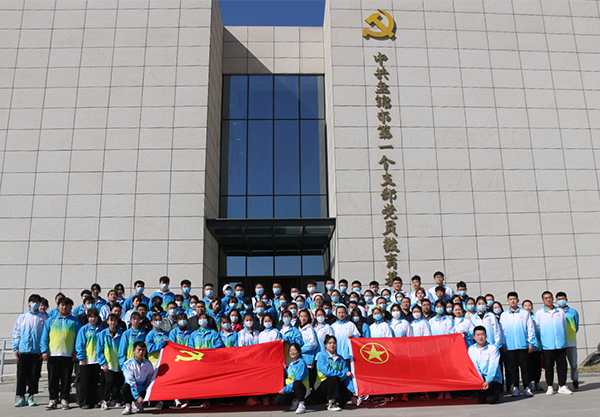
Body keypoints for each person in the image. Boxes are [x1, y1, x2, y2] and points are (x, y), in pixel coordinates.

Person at [41, 297, 81, 410]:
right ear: (58, 306)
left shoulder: (74, 321)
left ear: (70, 307)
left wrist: (75, 351)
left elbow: (78, 338)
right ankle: (53, 399)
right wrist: (44, 350)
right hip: (53, 354)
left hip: (68, 355)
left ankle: (64, 399)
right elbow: (45, 337)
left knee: (66, 379)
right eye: (62, 305)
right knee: (53, 378)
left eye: (67, 305)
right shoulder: (51, 320)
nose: (64, 307)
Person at [13, 294, 46, 407]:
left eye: (37, 301)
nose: (35, 303)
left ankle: (31, 396)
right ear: (29, 303)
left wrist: (43, 349)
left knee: (34, 374)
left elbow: (45, 335)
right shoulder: (22, 317)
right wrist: (15, 347)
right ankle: (21, 397)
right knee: (21, 374)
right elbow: (16, 332)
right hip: (23, 351)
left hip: (37, 352)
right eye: (33, 301)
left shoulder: (43, 318)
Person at [535, 291, 572, 395]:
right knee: (548, 367)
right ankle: (550, 386)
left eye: (550, 297)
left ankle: (562, 386)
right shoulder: (539, 313)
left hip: (560, 344)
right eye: (546, 298)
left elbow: (564, 326)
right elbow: (537, 329)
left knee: (562, 366)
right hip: (547, 346)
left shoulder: (560, 312)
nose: (548, 300)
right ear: (543, 300)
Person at [499, 291, 535, 397]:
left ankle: (527, 387)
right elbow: (502, 331)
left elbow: (530, 328)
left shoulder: (524, 313)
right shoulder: (504, 315)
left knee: (525, 368)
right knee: (513, 369)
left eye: (514, 299)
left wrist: (531, 342)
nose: (512, 301)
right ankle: (515, 387)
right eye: (510, 299)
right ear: (507, 301)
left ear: (518, 300)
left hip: (523, 345)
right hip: (510, 347)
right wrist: (504, 344)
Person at [315, 335, 355, 411]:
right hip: (322, 384)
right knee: (334, 378)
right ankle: (331, 403)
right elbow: (327, 372)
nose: (332, 345)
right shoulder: (321, 356)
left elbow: (347, 373)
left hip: (336, 384)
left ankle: (340, 402)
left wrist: (353, 391)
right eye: (330, 343)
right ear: (325, 345)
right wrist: (343, 375)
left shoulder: (340, 358)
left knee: (346, 384)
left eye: (334, 343)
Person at [75, 309, 102, 409]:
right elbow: (80, 344)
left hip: (97, 360)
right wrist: (82, 357)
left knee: (94, 382)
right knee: (85, 383)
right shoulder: (84, 329)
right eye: (90, 317)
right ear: (87, 318)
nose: (93, 319)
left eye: (94, 317)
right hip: (86, 360)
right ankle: (83, 402)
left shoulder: (101, 329)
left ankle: (93, 401)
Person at [468, 326, 503, 404]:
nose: (480, 337)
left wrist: (488, 380)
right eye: (478, 335)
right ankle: (482, 395)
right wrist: (480, 377)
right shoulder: (471, 349)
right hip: (481, 378)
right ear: (474, 337)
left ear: (486, 336)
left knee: (491, 400)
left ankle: (492, 394)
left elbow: (493, 366)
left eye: (482, 334)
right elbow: (474, 365)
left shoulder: (493, 348)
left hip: (494, 379)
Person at [97, 314, 124, 410]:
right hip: (107, 364)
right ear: (107, 321)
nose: (113, 322)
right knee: (109, 381)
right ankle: (104, 400)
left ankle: (116, 400)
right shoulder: (103, 334)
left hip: (118, 363)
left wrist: (121, 364)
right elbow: (99, 350)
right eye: (111, 320)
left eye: (115, 321)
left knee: (117, 383)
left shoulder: (121, 334)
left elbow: (123, 349)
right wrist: (103, 363)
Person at [274, 343, 309, 414]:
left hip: (301, 388)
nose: (292, 352)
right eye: (290, 350)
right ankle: (295, 400)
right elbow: (290, 374)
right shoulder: (291, 363)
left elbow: (298, 378)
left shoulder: (301, 363)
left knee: (297, 383)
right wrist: (284, 370)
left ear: (299, 351)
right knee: (278, 401)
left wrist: (286, 389)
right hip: (291, 389)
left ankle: (301, 404)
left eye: (294, 350)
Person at [121, 341, 153, 415]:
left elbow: (151, 376)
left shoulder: (148, 363)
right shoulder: (127, 364)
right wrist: (137, 396)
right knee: (125, 387)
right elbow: (130, 381)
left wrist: (149, 386)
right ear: (134, 350)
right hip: (132, 388)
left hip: (142, 387)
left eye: (143, 350)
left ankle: (139, 404)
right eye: (139, 350)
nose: (141, 352)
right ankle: (128, 406)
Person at [555, 291, 579, 390]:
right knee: (560, 364)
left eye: (563, 299)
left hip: (571, 342)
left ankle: (575, 380)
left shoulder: (573, 312)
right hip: (559, 343)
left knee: (573, 363)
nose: (561, 301)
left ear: (566, 300)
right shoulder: (555, 312)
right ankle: (562, 382)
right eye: (559, 299)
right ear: (556, 301)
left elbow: (576, 326)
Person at [522, 299, 543, 391]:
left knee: (537, 365)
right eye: (525, 306)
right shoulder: (521, 317)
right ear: (522, 307)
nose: (528, 307)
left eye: (529, 305)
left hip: (537, 346)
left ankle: (537, 382)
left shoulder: (536, 317)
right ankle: (529, 382)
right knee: (527, 365)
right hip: (526, 346)